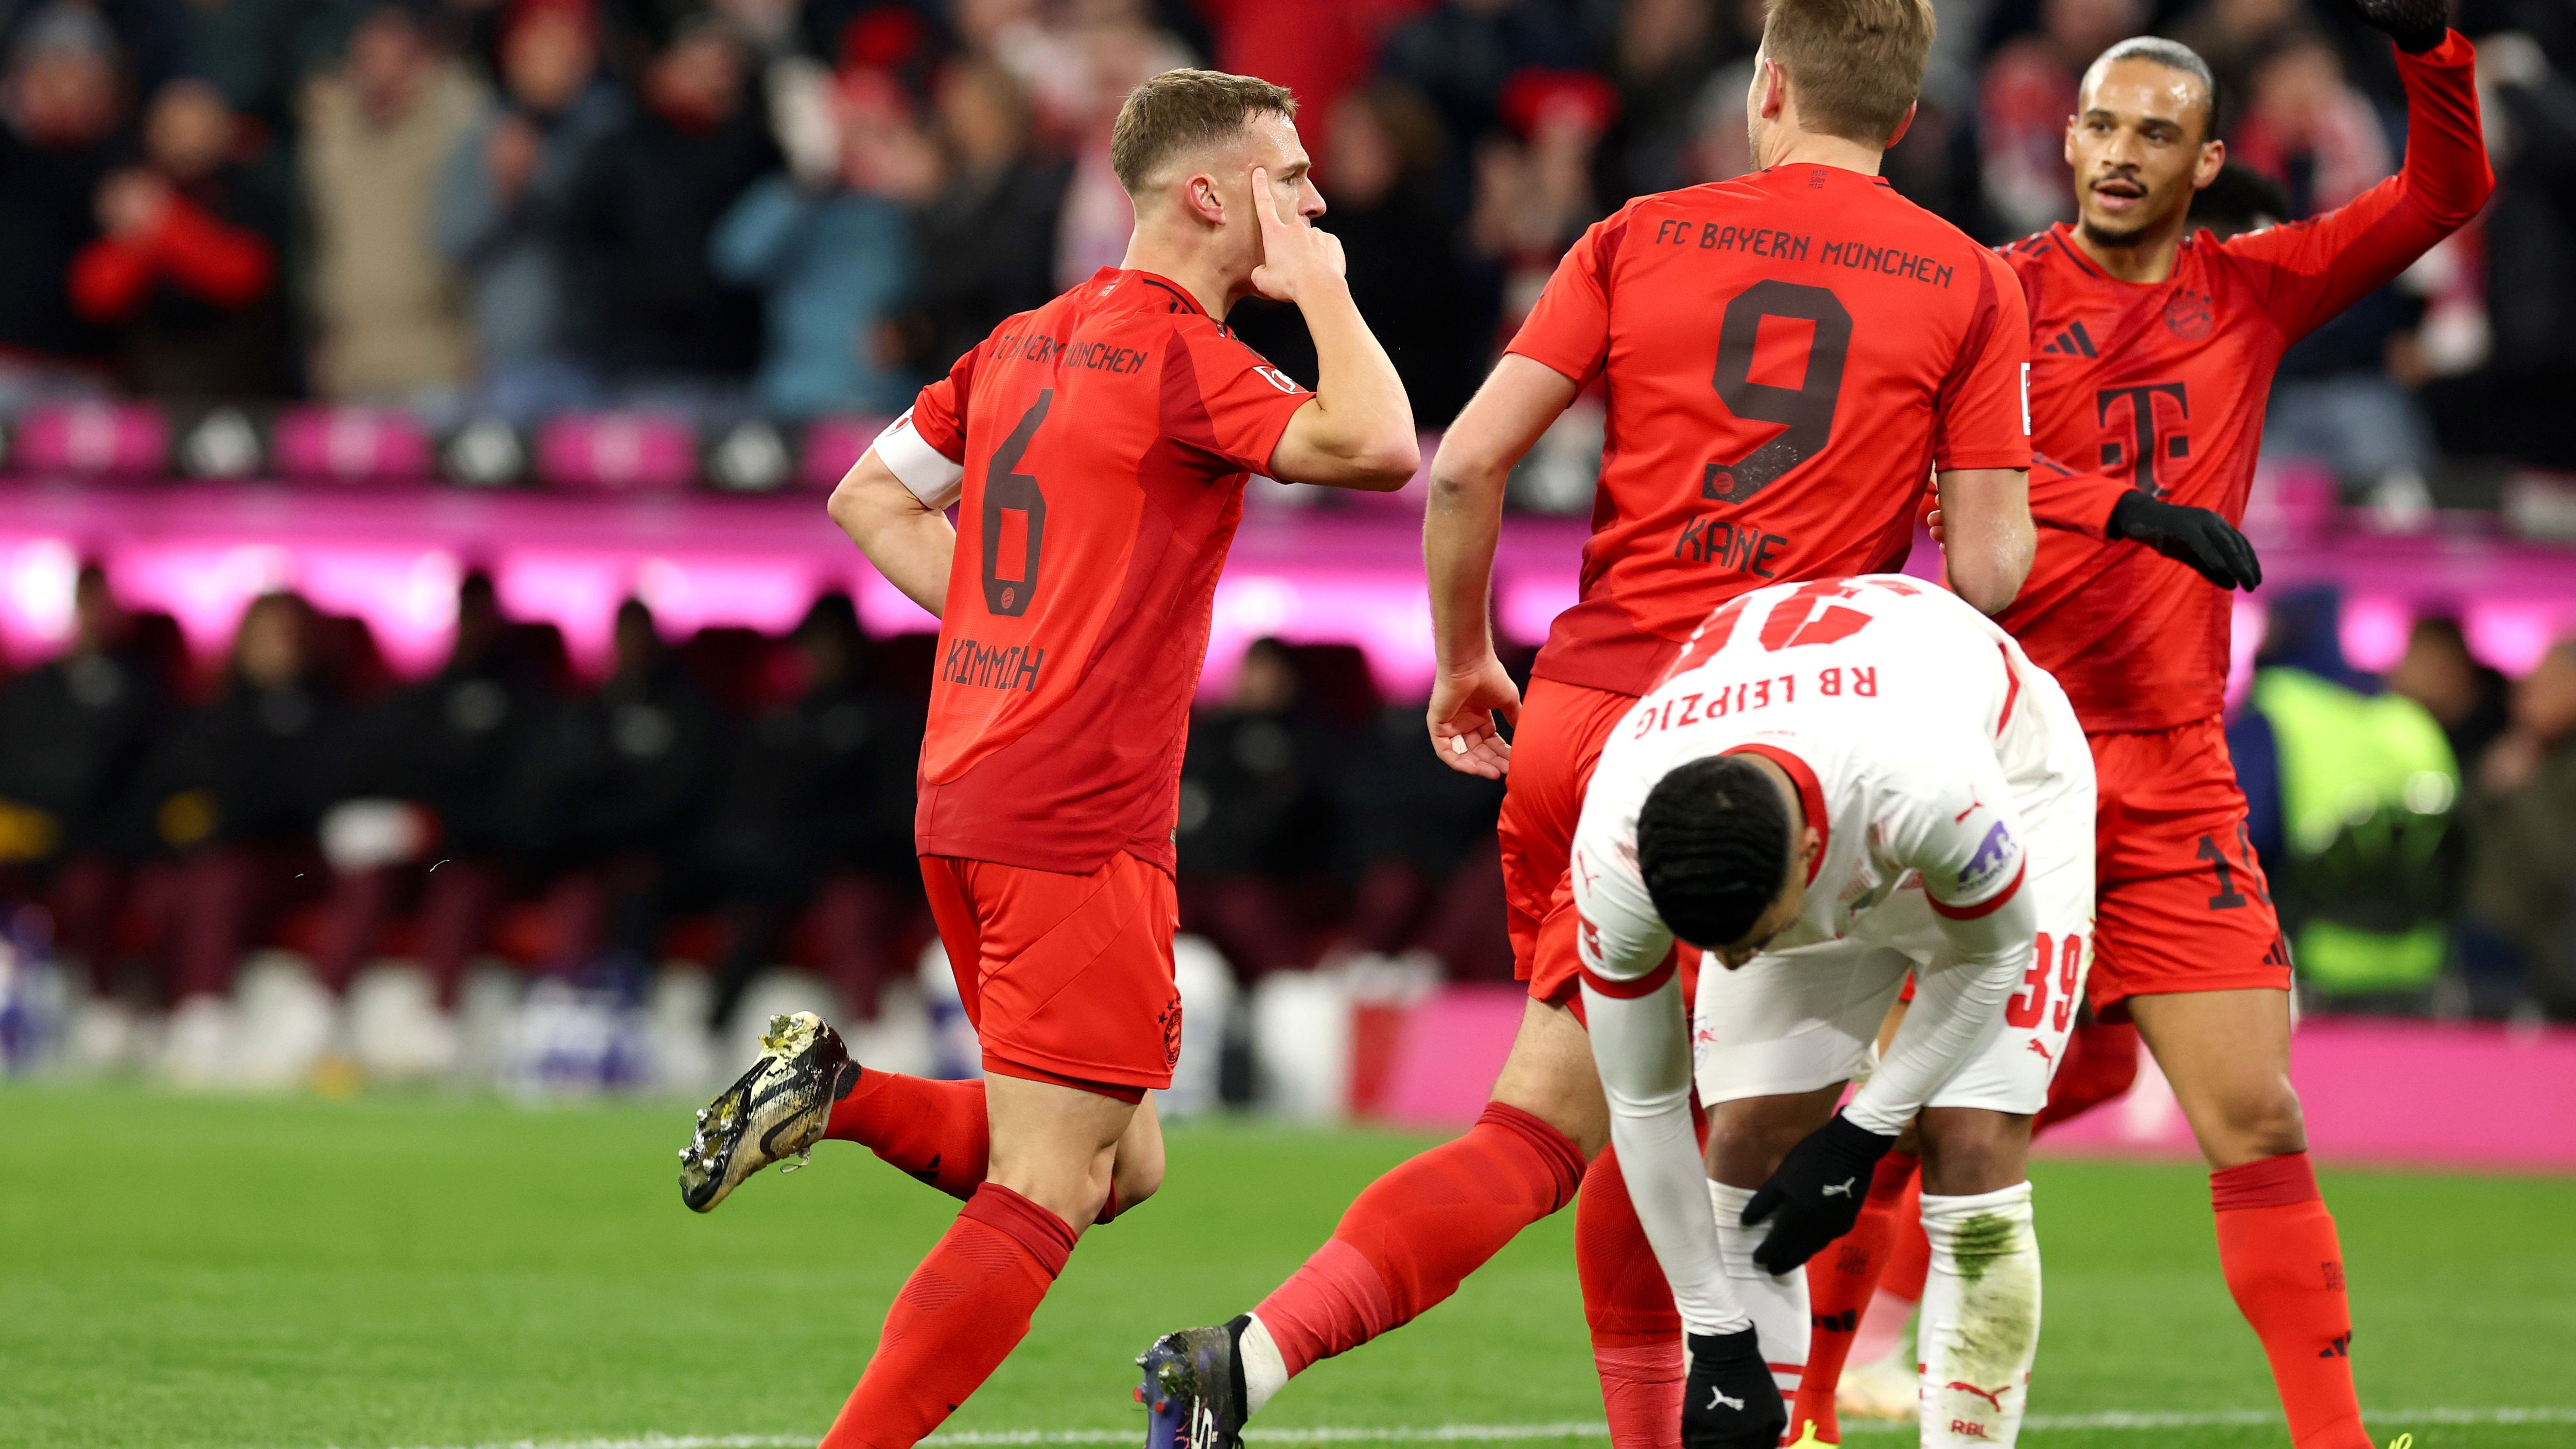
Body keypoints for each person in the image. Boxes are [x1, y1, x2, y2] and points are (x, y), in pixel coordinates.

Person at [1138, 0, 2040, 1442]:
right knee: (1724, 1127)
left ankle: (1255, 1354)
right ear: (1910, 119)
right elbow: (1992, 573)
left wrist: (1457, 664)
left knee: (1564, 1121)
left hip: (1588, 716)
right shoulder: (1966, 280)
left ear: (1764, 88)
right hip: (1783, 733)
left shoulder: (1638, 234)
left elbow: (1462, 469)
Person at [670, 69, 1417, 1448]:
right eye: (1289, 176)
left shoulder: (1023, 340)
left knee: (1123, 1163)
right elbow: (1377, 442)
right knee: (1050, 1184)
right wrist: (1322, 287)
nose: (1313, 198)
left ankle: (832, 1092)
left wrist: (1018, 629)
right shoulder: (1190, 357)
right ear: (1209, 195)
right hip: (1077, 816)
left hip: (965, 785)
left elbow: (868, 495)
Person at [1800, 14, 2492, 1449]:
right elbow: (1948, 470)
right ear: (2065, 140)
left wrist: (2429, 47)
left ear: (2208, 161)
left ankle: (2332, 1438)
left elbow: (2443, 196)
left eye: (2154, 135)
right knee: (1904, 1125)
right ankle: (1803, 1409)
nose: (2120, 157)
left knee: (2258, 1119)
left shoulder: (2252, 291)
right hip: (1994, 770)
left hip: (2173, 781)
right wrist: (2126, 513)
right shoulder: (1985, 295)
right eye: (2102, 128)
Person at [1572, 575, 2093, 1449]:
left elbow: (1994, 953)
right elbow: (1645, 1103)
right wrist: (1715, 1334)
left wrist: (1867, 1132)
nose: (1737, 964)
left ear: (1812, 855)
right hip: (1822, 751)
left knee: (1972, 1143)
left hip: (2014, 782)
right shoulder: (1619, 847)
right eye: (1714, 947)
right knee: (1744, 1142)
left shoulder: (1929, 786)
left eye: (1751, 937)